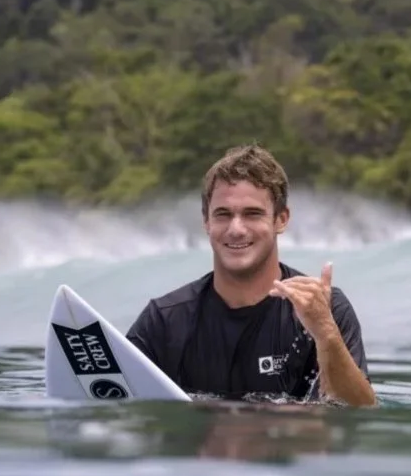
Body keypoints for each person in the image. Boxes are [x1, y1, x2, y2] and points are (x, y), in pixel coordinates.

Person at [126, 144, 377, 407]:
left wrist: (326, 334)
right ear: (206, 222)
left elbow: (359, 410)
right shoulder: (164, 322)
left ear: (281, 219)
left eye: (252, 214)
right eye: (223, 215)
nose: (236, 229)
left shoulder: (324, 309)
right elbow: (117, 403)